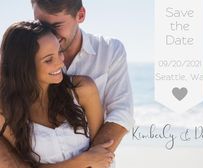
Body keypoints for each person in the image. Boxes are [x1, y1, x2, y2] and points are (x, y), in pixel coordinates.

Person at [0, 0, 134, 167]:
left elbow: (122, 112)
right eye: (41, 24)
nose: (49, 33)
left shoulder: (107, 53)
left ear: (80, 15)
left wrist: (95, 160)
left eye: (56, 25)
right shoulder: (17, 78)